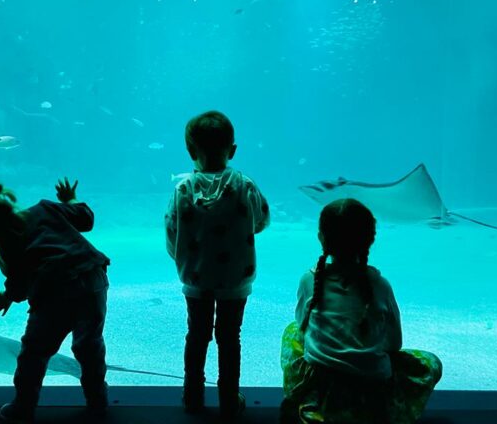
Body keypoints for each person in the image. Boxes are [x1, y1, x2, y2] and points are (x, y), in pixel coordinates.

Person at [0, 178, 109, 423]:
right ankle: (98, 402)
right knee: (89, 345)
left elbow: (20, 285)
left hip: (55, 294)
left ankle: (23, 407)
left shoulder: (6, 247)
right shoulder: (46, 208)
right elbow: (86, 219)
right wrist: (70, 199)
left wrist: (8, 298)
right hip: (92, 280)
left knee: (34, 353)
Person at [280, 198, 442, 424]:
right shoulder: (381, 285)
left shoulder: (310, 280)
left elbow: (302, 324)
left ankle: (311, 403)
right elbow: (395, 344)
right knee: (429, 362)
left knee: (292, 332)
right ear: (370, 239)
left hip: (324, 386)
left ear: (321, 238)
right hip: (374, 392)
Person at [165, 110, 270, 417]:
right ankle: (227, 398)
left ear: (189, 151)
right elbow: (260, 220)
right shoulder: (245, 185)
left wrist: (185, 259)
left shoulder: (182, 189)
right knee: (229, 336)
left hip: (195, 280)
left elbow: (172, 233)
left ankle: (193, 397)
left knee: (197, 336)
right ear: (232, 150)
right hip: (236, 280)